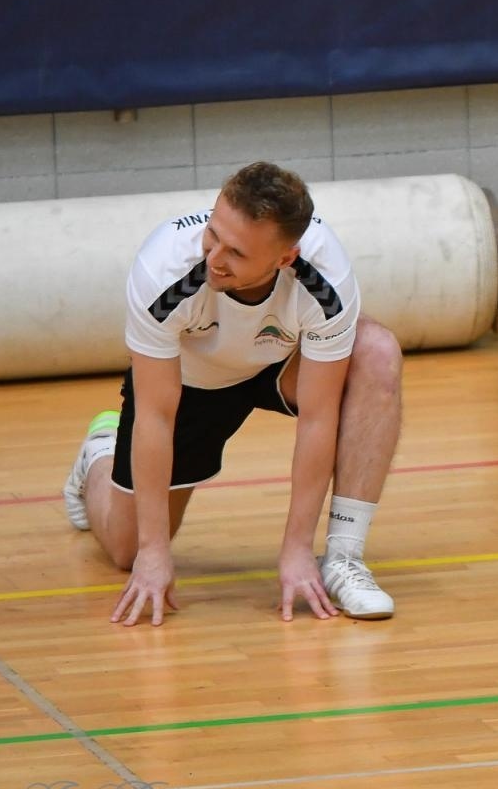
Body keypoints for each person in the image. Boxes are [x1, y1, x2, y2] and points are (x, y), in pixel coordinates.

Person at [63, 161, 403, 625]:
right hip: (191, 383)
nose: (215, 257)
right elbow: (156, 417)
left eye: (237, 252)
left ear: (284, 258)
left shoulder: (325, 276)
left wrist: (297, 549)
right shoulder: (162, 269)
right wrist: (153, 552)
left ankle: (343, 558)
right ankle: (100, 453)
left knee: (377, 351)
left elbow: (319, 418)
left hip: (280, 361)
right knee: (126, 548)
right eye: (213, 234)